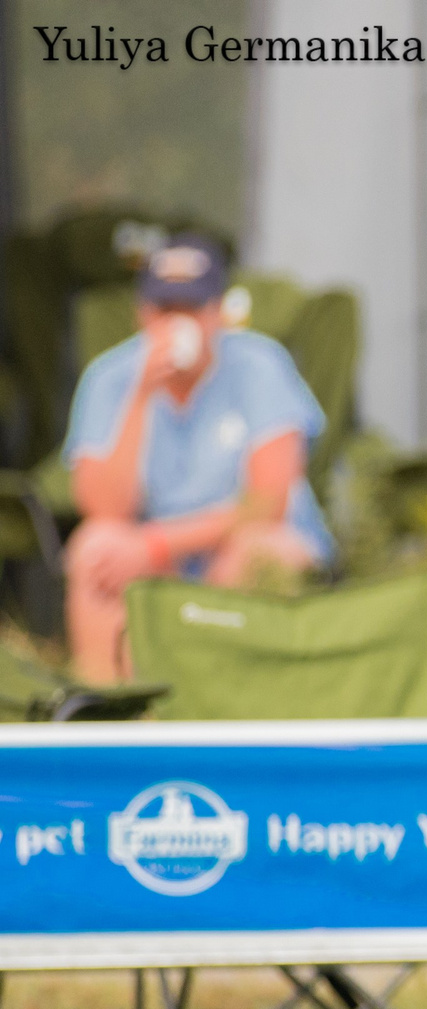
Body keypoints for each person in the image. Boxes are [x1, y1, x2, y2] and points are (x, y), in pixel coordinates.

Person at [64, 234, 335, 683]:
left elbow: (267, 504)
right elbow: (102, 507)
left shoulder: (261, 365)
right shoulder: (109, 378)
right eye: (164, 309)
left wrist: (156, 545)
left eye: (191, 308)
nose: (177, 322)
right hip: (157, 555)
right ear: (141, 314)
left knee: (253, 554)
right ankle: (112, 713)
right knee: (95, 549)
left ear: (218, 313)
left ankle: (229, 708)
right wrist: (141, 396)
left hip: (239, 545)